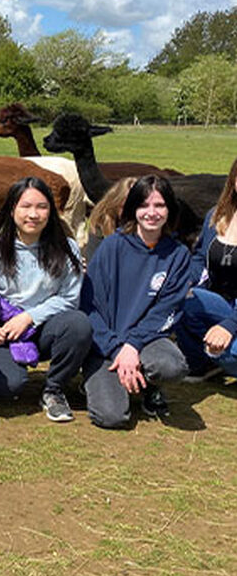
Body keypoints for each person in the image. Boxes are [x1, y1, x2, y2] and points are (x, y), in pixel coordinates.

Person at [0, 177, 92, 422]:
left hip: (46, 330)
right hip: (6, 336)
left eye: (41, 207)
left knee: (78, 324)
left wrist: (28, 317)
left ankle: (54, 390)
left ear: (51, 212)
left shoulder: (68, 248)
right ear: (12, 210)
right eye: (25, 206)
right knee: (7, 388)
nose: (33, 214)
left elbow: (69, 299)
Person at [81, 176, 191, 427]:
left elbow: (167, 310)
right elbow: (89, 307)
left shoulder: (178, 254)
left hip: (147, 341)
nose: (151, 213)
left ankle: (149, 384)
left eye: (159, 205)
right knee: (111, 417)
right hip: (106, 346)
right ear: (133, 209)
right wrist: (117, 349)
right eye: (144, 205)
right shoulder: (111, 247)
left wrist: (133, 345)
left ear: (170, 209)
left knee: (171, 366)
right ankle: (102, 381)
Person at [176, 158, 237, 381]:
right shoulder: (217, 215)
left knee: (230, 354)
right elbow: (200, 257)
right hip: (222, 301)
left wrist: (229, 326)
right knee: (180, 298)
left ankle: (221, 356)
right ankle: (200, 364)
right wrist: (185, 281)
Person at [83, 176, 138, 262]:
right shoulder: (101, 223)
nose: (129, 212)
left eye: (134, 207)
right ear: (115, 204)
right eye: (124, 207)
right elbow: (93, 261)